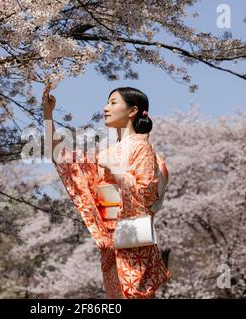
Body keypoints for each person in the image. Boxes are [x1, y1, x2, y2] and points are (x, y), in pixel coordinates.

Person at [42, 83, 171, 299]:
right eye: (106, 102)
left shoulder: (141, 146)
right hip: (111, 242)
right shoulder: (107, 152)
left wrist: (117, 170)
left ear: (133, 111)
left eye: (113, 103)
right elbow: (61, 156)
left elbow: (146, 194)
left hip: (133, 241)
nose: (105, 108)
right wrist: (48, 114)